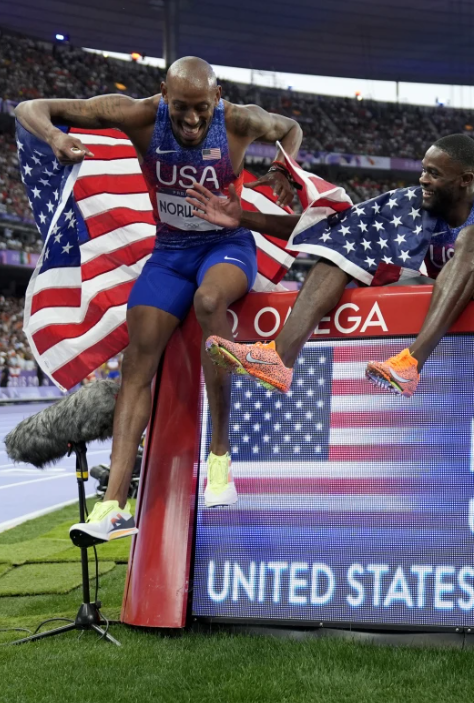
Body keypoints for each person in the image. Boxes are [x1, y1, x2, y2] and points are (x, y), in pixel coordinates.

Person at [14, 57, 303, 546]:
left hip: (224, 247)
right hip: (169, 252)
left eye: (201, 110)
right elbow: (30, 106)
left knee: (211, 302)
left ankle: (219, 459)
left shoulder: (240, 120)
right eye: (180, 109)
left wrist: (284, 170)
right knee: (136, 361)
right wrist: (56, 138)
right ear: (163, 95)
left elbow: (290, 128)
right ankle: (114, 507)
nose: (191, 122)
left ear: (218, 99)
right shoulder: (138, 115)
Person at [194, 133, 474, 399]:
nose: (422, 180)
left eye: (434, 174)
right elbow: (334, 229)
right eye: (423, 169)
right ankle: (280, 358)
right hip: (449, 321)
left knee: (473, 237)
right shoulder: (413, 204)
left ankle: (410, 362)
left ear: (465, 180)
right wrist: (242, 217)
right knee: (340, 249)